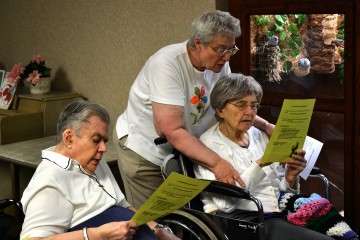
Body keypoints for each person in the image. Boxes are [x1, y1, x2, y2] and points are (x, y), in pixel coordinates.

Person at [113, 10, 275, 209]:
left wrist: (266, 126)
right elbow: (170, 129)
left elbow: (231, 104)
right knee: (154, 219)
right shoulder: (167, 64)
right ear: (198, 43)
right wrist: (217, 163)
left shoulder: (220, 64)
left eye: (231, 49)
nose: (226, 57)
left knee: (185, 216)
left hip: (184, 148)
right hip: (146, 150)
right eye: (220, 49)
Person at [194, 73, 358, 240]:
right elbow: (225, 205)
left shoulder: (258, 135)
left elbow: (278, 192)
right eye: (241, 105)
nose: (249, 112)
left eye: (254, 105)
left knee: (344, 235)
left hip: (278, 214)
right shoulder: (207, 146)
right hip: (243, 221)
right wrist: (260, 164)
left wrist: (290, 178)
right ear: (220, 109)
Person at [20, 99, 179, 240]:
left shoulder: (93, 160)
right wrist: (99, 235)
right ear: (69, 138)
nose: (103, 148)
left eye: (104, 141)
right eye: (96, 140)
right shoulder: (49, 181)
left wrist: (157, 229)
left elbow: (124, 206)